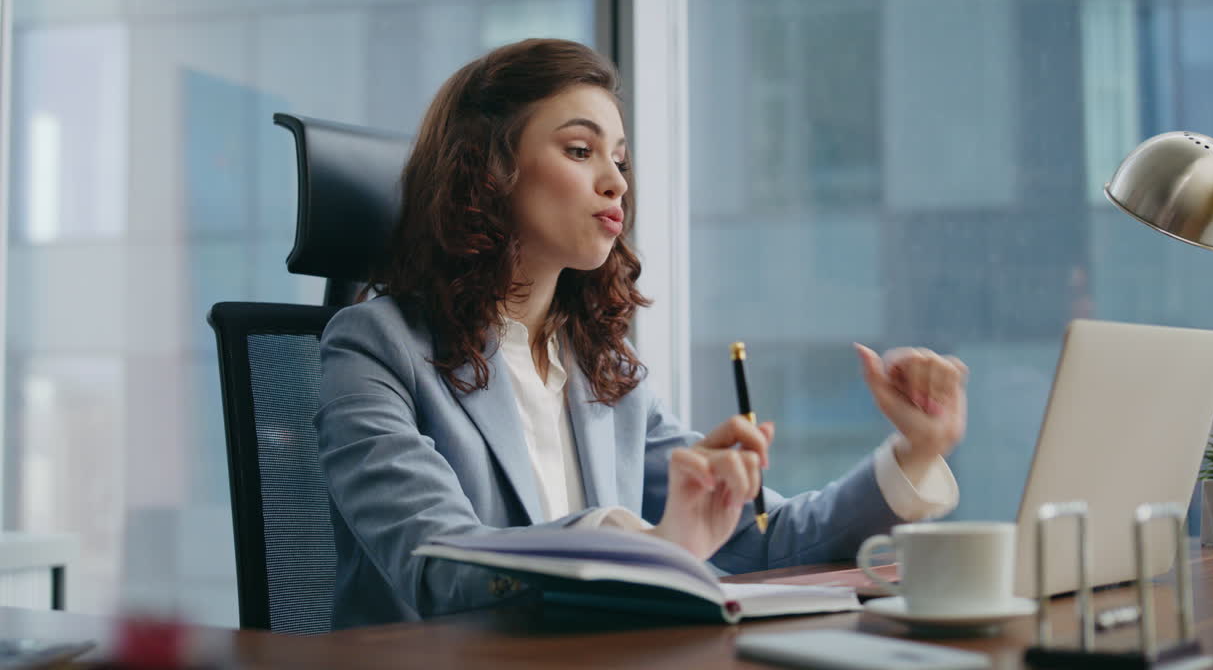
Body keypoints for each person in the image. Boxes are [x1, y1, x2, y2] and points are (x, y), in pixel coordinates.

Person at [316, 38, 969, 629]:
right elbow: (438, 566)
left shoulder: (602, 369)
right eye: (581, 151)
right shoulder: (373, 348)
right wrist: (642, 546)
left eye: (620, 159)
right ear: (488, 169)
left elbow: (767, 537)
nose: (616, 182)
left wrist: (914, 450)